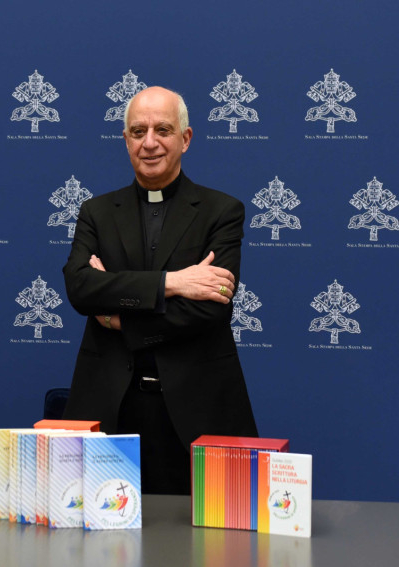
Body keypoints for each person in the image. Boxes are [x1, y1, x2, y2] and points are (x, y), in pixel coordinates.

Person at [62, 86, 257, 495]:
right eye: (138, 132)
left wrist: (119, 318)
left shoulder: (222, 211)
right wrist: (174, 283)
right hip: (111, 407)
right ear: (126, 140)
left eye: (163, 130)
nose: (149, 143)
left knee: (206, 534)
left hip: (197, 411)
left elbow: (210, 308)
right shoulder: (96, 212)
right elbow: (81, 288)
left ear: (185, 138)